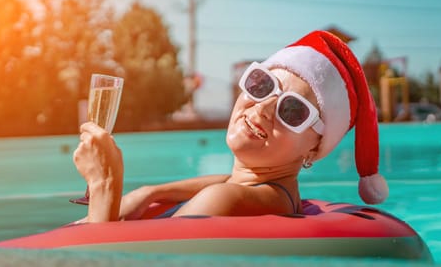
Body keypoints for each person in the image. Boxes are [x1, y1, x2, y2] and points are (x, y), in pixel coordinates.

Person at [72, 30, 389, 223]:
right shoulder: (270, 193)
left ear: (315, 147)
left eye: (293, 110)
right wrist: (151, 192)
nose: (263, 109)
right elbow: (229, 180)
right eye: (262, 85)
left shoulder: (226, 201)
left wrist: (104, 183)